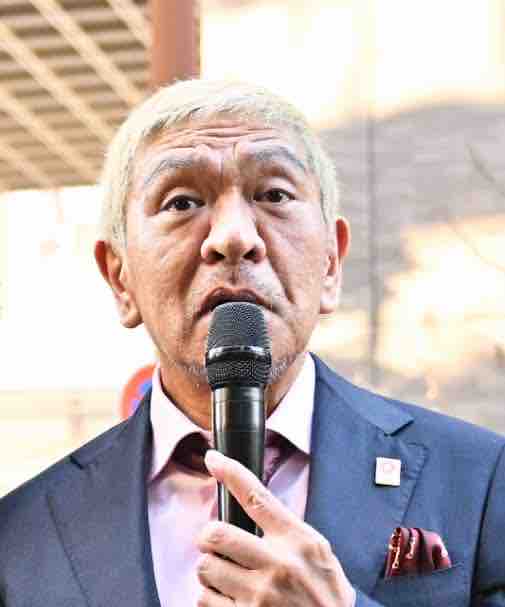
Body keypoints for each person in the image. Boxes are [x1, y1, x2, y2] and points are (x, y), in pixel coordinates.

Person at [0, 80, 504, 607]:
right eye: (181, 202)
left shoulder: (481, 481)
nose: (233, 237)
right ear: (119, 278)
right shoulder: (21, 538)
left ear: (331, 263)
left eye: (274, 195)